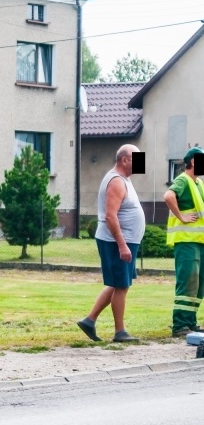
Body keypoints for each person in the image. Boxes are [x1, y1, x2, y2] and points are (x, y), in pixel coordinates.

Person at [77, 144, 145, 343]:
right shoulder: (116, 181)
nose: (141, 163)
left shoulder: (125, 180)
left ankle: (89, 320)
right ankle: (120, 332)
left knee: (118, 283)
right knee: (121, 285)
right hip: (116, 241)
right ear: (124, 160)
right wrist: (122, 245)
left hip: (126, 240)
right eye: (137, 158)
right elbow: (110, 216)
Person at [164, 146, 204, 337]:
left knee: (198, 283)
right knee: (187, 281)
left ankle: (191, 322)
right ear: (194, 162)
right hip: (186, 241)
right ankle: (180, 325)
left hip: (198, 241)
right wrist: (181, 217)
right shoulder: (183, 180)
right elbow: (168, 196)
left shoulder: (199, 184)